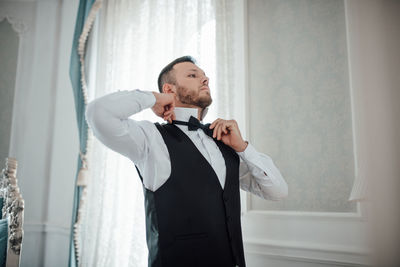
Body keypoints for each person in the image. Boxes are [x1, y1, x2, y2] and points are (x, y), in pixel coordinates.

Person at [85, 56, 288, 267]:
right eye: (192, 75)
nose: (204, 80)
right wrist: (154, 99)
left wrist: (243, 148)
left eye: (205, 77)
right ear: (169, 89)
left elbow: (278, 192)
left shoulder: (223, 141)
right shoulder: (150, 139)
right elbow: (98, 113)